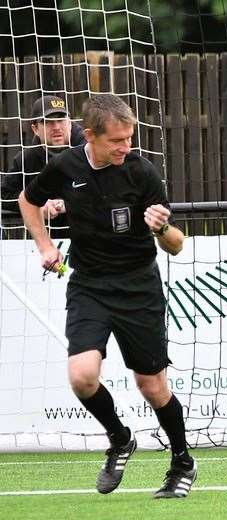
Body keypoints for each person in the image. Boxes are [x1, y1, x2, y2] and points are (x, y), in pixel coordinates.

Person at [18, 94, 197, 498]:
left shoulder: (141, 172)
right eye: (117, 140)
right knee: (82, 377)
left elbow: (176, 245)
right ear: (92, 137)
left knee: (152, 386)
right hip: (90, 285)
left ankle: (182, 460)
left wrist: (160, 228)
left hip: (138, 287)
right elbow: (27, 201)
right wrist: (45, 247)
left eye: (129, 138)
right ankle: (120, 438)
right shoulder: (65, 166)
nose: (125, 147)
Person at [2, 95, 86, 236]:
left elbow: (107, 189)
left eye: (61, 120)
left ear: (70, 122)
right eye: (48, 122)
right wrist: (36, 204)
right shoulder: (26, 159)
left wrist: (68, 203)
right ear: (35, 129)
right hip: (44, 244)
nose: (57, 127)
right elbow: (4, 195)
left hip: (89, 238)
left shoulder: (89, 151)